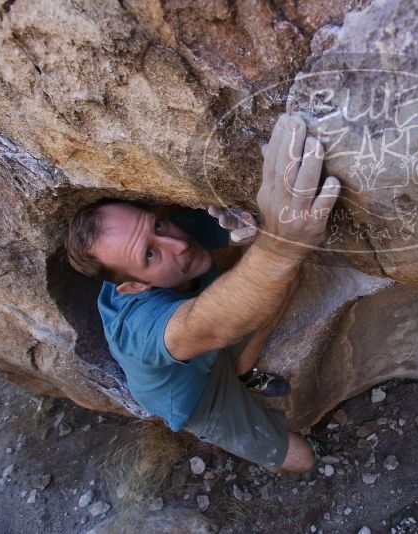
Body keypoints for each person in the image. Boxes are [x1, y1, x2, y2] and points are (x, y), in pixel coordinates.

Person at [64, 113, 340, 473]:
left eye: (157, 225)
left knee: (286, 281)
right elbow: (200, 327)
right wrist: (279, 246)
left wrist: (250, 222)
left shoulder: (178, 234)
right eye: (150, 253)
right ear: (134, 287)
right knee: (302, 460)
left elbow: (243, 225)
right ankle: (234, 378)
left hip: (211, 341)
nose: (176, 244)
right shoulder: (136, 329)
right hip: (194, 395)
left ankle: (240, 369)